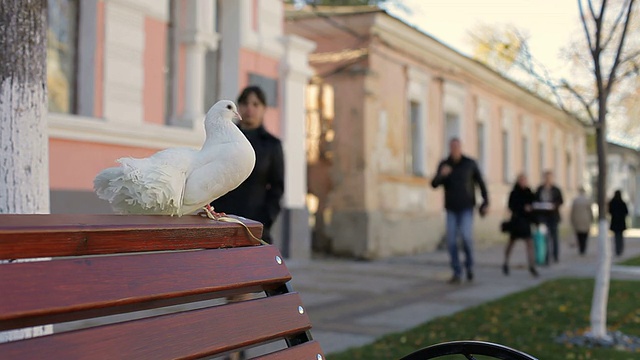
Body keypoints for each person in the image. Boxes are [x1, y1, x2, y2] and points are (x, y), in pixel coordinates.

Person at [211, 86, 284, 244]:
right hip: (222, 220)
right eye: (245, 103)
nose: (249, 108)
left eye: (255, 104)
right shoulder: (223, 139)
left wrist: (265, 221)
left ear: (264, 109)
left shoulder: (272, 145)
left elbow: (277, 187)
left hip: (254, 224)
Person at [431, 138, 489, 284]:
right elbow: (433, 184)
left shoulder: (469, 163)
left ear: (460, 148)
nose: (454, 150)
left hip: (466, 207)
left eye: (457, 147)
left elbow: (481, 183)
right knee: (451, 242)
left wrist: (485, 201)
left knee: (466, 238)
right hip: (451, 208)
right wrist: (441, 175)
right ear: (449, 148)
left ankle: (469, 267)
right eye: (452, 147)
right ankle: (457, 271)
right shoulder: (444, 164)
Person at [502, 173, 538, 277]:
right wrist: (522, 208)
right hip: (517, 221)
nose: (523, 182)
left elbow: (534, 204)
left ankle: (531, 265)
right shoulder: (514, 193)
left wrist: (532, 214)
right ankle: (505, 262)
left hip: (526, 222)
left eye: (524, 180)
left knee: (529, 244)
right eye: (521, 180)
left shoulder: (529, 192)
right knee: (511, 243)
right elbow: (511, 206)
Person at [534, 171, 563, 264]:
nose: (548, 179)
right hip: (543, 217)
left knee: (554, 237)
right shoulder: (540, 189)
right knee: (545, 237)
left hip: (553, 216)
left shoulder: (556, 189)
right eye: (546, 177)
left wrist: (554, 205)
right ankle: (546, 257)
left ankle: (555, 255)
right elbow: (535, 200)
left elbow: (560, 201)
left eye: (550, 177)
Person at [570, 187, 593, 255]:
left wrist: (572, 219)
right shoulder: (587, 200)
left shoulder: (575, 200)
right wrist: (591, 219)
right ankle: (583, 248)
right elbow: (590, 211)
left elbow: (572, 212)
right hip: (586, 219)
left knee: (579, 235)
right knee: (585, 235)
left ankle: (581, 249)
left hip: (577, 219)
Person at [608, 190, 629, 257]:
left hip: (615, 222)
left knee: (616, 237)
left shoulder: (612, 203)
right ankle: (620, 249)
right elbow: (626, 212)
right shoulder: (622, 203)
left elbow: (610, 211)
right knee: (620, 237)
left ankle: (617, 250)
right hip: (621, 222)